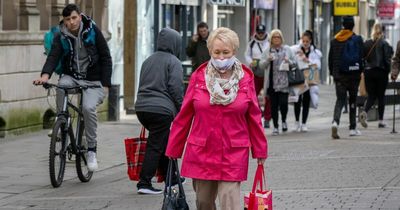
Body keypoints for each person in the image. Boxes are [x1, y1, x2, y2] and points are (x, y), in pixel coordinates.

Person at [165, 27, 267, 210]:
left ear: (234, 51)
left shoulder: (245, 78)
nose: (221, 57)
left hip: (233, 151)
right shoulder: (198, 77)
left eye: (226, 52)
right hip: (202, 150)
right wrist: (173, 148)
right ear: (210, 51)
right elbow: (184, 116)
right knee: (203, 202)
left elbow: (254, 117)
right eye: (216, 52)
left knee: (230, 202)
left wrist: (260, 150)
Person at [33, 4, 112, 171]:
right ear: (64, 20)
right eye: (68, 19)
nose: (72, 22)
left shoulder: (92, 30)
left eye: (74, 18)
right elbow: (53, 55)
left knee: (88, 107)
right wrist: (45, 76)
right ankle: (62, 122)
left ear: (80, 17)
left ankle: (91, 150)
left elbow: (106, 56)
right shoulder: (61, 34)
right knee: (61, 85)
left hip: (93, 80)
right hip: (73, 77)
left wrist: (106, 84)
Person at [134, 28, 184, 194]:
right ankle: (144, 182)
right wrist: (182, 109)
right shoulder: (173, 61)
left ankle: (172, 178)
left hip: (142, 108)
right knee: (156, 145)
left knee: (163, 142)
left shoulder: (148, 60)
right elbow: (175, 88)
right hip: (161, 110)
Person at [328, 16, 364, 139]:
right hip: (354, 76)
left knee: (340, 100)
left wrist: (333, 74)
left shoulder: (335, 40)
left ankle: (335, 122)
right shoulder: (358, 39)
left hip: (340, 77)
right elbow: (361, 56)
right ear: (353, 25)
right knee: (352, 100)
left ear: (343, 25)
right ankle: (353, 128)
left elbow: (330, 59)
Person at [259, 29, 296, 136]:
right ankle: (275, 126)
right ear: (271, 39)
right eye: (274, 37)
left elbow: (294, 63)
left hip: (284, 82)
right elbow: (261, 65)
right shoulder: (268, 51)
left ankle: (284, 120)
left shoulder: (287, 49)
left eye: (278, 37)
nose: (276, 39)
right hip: (272, 83)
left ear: (281, 38)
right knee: (273, 106)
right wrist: (268, 60)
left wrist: (288, 61)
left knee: (284, 104)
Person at [359, 23, 393, 128]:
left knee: (371, 96)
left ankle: (364, 111)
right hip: (381, 72)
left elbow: (362, 57)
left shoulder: (367, 43)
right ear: (382, 31)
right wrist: (389, 71)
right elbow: (387, 60)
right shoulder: (384, 43)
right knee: (381, 96)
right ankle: (381, 121)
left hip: (369, 72)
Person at [291, 30, 322, 132]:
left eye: (307, 41)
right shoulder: (296, 49)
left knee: (306, 100)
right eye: (303, 41)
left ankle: (304, 123)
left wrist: (307, 60)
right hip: (298, 77)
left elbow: (318, 65)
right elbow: (291, 60)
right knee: (297, 100)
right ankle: (296, 122)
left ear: (310, 41)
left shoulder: (315, 52)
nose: (305, 43)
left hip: (309, 78)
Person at [244, 24, 272, 128]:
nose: (260, 35)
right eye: (259, 32)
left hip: (267, 71)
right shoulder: (252, 43)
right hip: (255, 71)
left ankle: (268, 118)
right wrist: (250, 62)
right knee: (253, 95)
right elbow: (247, 54)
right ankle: (258, 114)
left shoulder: (270, 42)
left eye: (262, 32)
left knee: (267, 95)